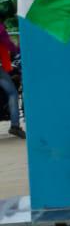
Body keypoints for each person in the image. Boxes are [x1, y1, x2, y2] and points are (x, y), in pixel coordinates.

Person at [0, 10, 24, 139]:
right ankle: (15, 126)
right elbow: (9, 45)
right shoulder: (0, 28)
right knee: (12, 93)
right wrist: (15, 50)